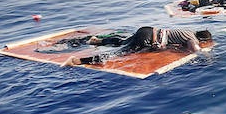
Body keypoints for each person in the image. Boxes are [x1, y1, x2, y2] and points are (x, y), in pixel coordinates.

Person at [61, 27, 211, 66]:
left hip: (147, 30)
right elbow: (196, 52)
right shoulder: (192, 39)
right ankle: (78, 61)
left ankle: (97, 41)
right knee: (119, 54)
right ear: (202, 39)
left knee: (122, 42)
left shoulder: (187, 31)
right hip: (146, 39)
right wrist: (210, 59)